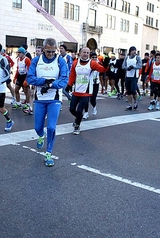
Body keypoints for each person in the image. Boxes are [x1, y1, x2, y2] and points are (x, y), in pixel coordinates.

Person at [26, 38, 69, 166]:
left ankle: (49, 153)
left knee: (51, 127)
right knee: (37, 127)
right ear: (43, 49)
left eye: (53, 51)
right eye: (48, 51)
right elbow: (30, 78)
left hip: (54, 99)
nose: (50, 54)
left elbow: (64, 80)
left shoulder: (60, 61)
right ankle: (41, 135)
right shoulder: (36, 60)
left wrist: (51, 85)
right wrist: (44, 82)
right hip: (40, 99)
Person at [66, 47, 109, 134]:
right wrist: (69, 85)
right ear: (80, 53)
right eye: (84, 52)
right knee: (71, 109)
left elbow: (102, 69)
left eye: (88, 53)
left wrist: (106, 65)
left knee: (79, 110)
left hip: (86, 92)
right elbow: (72, 75)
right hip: (77, 90)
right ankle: (78, 117)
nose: (86, 54)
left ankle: (77, 127)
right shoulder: (75, 63)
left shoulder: (92, 63)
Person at [123, 46, 142, 111]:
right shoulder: (126, 58)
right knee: (128, 91)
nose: (134, 52)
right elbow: (123, 66)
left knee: (133, 90)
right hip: (128, 76)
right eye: (133, 50)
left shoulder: (137, 58)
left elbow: (140, 65)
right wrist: (127, 68)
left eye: (135, 50)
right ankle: (130, 104)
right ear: (130, 51)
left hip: (134, 76)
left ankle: (136, 101)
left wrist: (134, 67)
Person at [83, 52, 100, 119]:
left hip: (95, 83)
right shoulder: (87, 64)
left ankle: (94, 107)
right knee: (86, 99)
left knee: (92, 99)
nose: (94, 59)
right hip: (88, 83)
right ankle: (86, 112)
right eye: (93, 57)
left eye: (95, 57)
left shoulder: (99, 64)